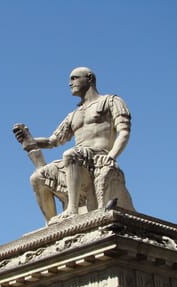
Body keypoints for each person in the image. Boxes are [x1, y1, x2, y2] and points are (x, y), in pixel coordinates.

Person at [14, 67, 132, 224]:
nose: (70, 83)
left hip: (98, 156)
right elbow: (52, 141)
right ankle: (52, 224)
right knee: (37, 177)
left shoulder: (110, 101)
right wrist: (31, 140)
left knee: (70, 154)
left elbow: (124, 131)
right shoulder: (73, 115)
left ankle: (72, 209)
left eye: (74, 78)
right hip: (77, 160)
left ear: (89, 78)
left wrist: (111, 157)